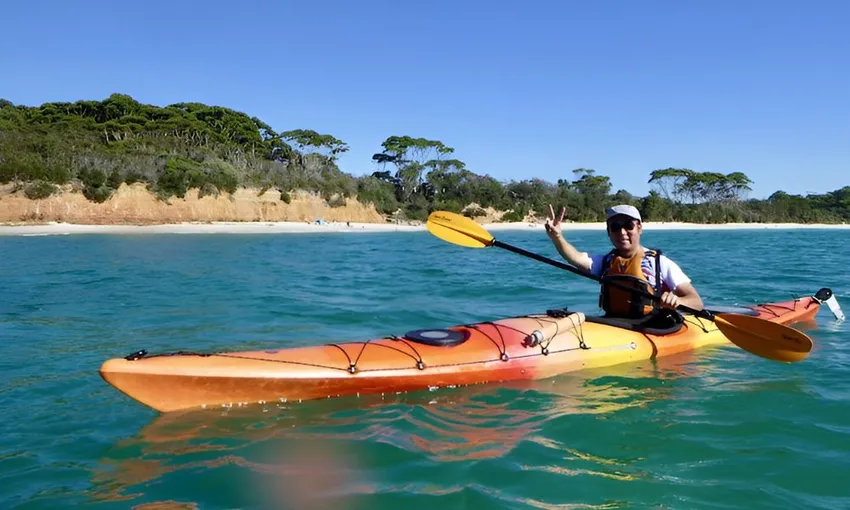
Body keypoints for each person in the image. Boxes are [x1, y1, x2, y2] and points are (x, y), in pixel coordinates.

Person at [544, 204, 704, 319]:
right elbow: (576, 258)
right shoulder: (606, 262)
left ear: (639, 228)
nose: (622, 232)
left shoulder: (660, 263)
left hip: (651, 325)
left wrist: (677, 300)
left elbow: (696, 302)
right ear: (608, 232)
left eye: (628, 225)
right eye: (615, 227)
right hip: (613, 323)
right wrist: (557, 237)